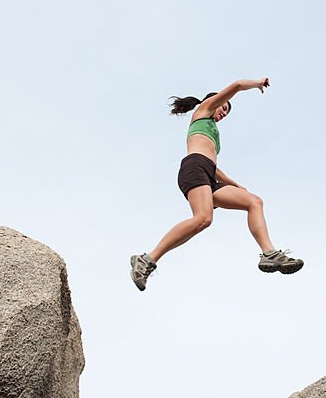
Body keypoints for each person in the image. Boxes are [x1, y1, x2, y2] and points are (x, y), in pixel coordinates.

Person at [129, 77, 304, 291]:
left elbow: (215, 168)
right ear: (214, 101)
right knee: (203, 218)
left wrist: (238, 187)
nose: (224, 113)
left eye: (227, 113)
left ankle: (269, 254)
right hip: (194, 168)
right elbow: (237, 86)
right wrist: (257, 84)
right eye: (224, 107)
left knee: (254, 202)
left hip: (208, 173)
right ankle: (147, 259)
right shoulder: (203, 110)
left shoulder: (212, 132)